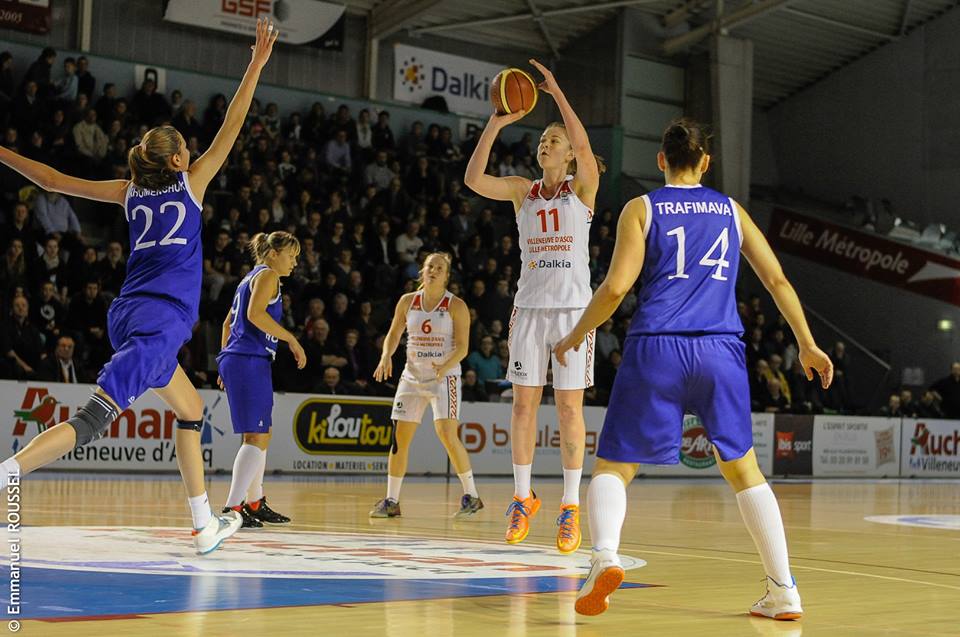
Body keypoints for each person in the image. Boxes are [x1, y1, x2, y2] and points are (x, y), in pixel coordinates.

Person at [0, 19, 280, 555]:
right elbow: (235, 120)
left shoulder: (128, 193)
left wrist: (4, 152)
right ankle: (8, 472)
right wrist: (255, 65)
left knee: (191, 412)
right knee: (89, 421)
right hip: (161, 320)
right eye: (188, 148)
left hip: (129, 313)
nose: (194, 152)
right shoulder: (193, 184)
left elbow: (54, 180)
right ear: (178, 160)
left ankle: (204, 527)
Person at [553, 118, 833, 619]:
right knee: (745, 471)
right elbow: (777, 280)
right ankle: (784, 590)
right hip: (721, 350)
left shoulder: (642, 209)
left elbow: (615, 289)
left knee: (616, 465)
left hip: (657, 347)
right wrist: (807, 344)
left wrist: (577, 334)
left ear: (660, 160)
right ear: (706, 162)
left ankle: (604, 557)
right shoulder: (731, 210)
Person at [464, 59, 603, 553]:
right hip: (529, 309)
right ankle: (523, 499)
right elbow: (474, 178)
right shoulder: (523, 192)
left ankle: (569, 507)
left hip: (571, 313)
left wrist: (557, 92)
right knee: (522, 406)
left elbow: (585, 145)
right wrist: (497, 121)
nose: (546, 144)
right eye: (542, 140)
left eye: (555, 141)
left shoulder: (581, 189)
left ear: (568, 155)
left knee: (568, 409)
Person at [370, 252, 483, 519]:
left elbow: (464, 347)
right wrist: (386, 355)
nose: (433, 270)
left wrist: (445, 366)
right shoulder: (408, 301)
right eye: (430, 266)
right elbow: (394, 333)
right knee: (399, 441)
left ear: (447, 275)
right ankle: (392, 500)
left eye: (439, 268)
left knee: (446, 433)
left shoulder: (456, 306)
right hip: (411, 377)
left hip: (444, 377)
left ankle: (472, 496)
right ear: (422, 271)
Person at [218, 231, 305, 528]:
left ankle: (255, 501)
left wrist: (224, 360)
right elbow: (255, 315)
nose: (295, 262)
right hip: (248, 359)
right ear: (272, 253)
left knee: (259, 435)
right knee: (256, 436)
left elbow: (228, 322)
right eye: (291, 255)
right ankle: (233, 507)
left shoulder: (249, 277)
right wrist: (291, 339)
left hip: (241, 358)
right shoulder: (268, 276)